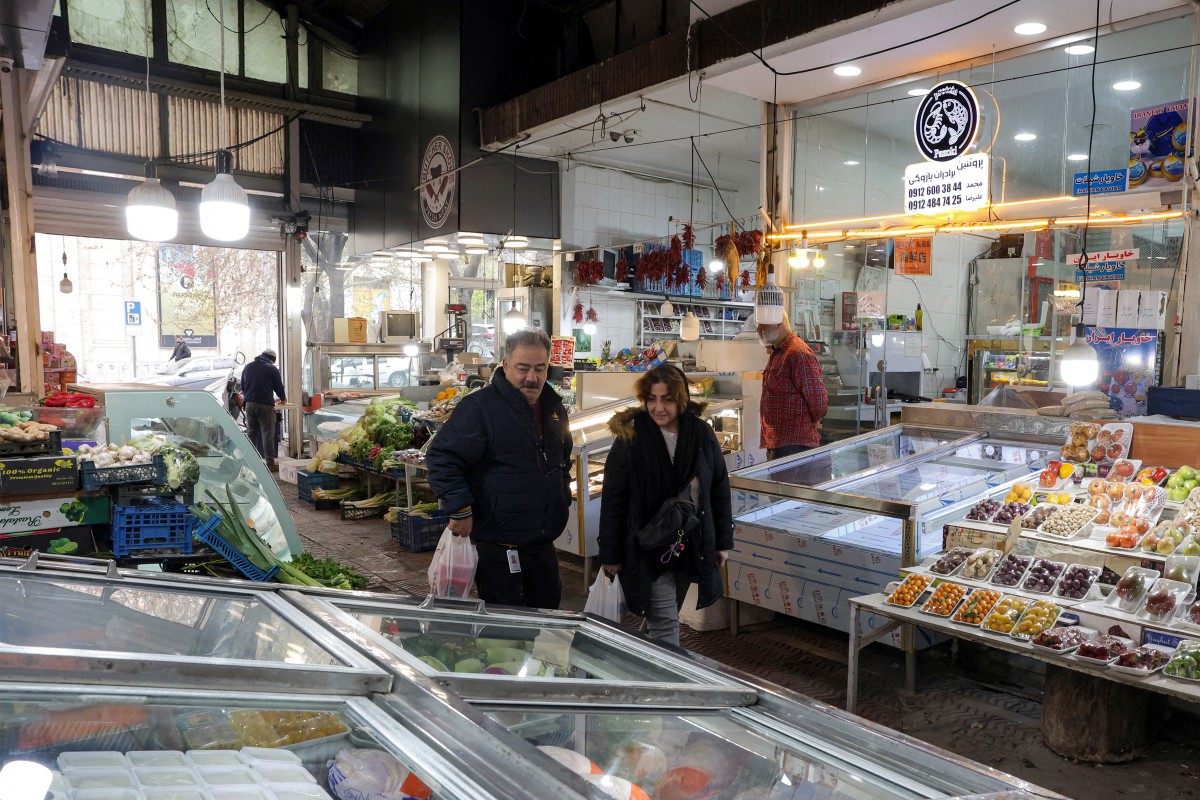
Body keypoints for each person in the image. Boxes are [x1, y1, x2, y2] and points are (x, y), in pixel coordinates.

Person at [426, 329, 572, 610]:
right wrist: (460, 508)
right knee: (505, 631)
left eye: (540, 369)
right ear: (505, 365)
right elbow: (442, 457)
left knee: (547, 615)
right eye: (523, 368)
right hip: (499, 546)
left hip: (542, 543)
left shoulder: (554, 408)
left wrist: (561, 494)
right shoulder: (480, 408)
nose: (532, 377)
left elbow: (561, 459)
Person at [598, 365, 733, 647]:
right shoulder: (632, 438)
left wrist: (721, 542)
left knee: (663, 614)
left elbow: (718, 488)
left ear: (681, 399)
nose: (658, 407)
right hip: (646, 545)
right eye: (651, 398)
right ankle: (670, 687)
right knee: (666, 626)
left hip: (688, 543)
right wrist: (610, 553)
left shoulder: (699, 435)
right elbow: (614, 498)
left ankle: (641, 667)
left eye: (667, 399)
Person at [757, 312, 828, 461]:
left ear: (778, 324)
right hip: (777, 442)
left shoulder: (799, 354)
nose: (759, 330)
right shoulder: (778, 352)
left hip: (795, 444)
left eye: (763, 326)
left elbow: (818, 401)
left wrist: (813, 420)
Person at [241, 348, 286, 471]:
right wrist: (283, 398)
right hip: (265, 405)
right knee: (267, 434)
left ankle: (250, 462)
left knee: (251, 434)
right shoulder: (271, 368)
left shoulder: (248, 367)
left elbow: (243, 386)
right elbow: (278, 387)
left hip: (249, 404)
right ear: (272, 359)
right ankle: (270, 464)